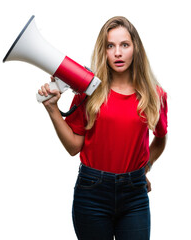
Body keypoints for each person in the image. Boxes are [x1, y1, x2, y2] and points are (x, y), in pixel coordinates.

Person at [38, 16, 168, 240]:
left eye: (124, 45)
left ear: (135, 49)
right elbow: (73, 147)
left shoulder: (155, 95)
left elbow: (161, 137)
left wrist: (145, 167)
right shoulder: (88, 91)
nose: (118, 53)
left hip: (135, 194)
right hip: (92, 193)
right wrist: (52, 109)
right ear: (104, 50)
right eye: (111, 46)